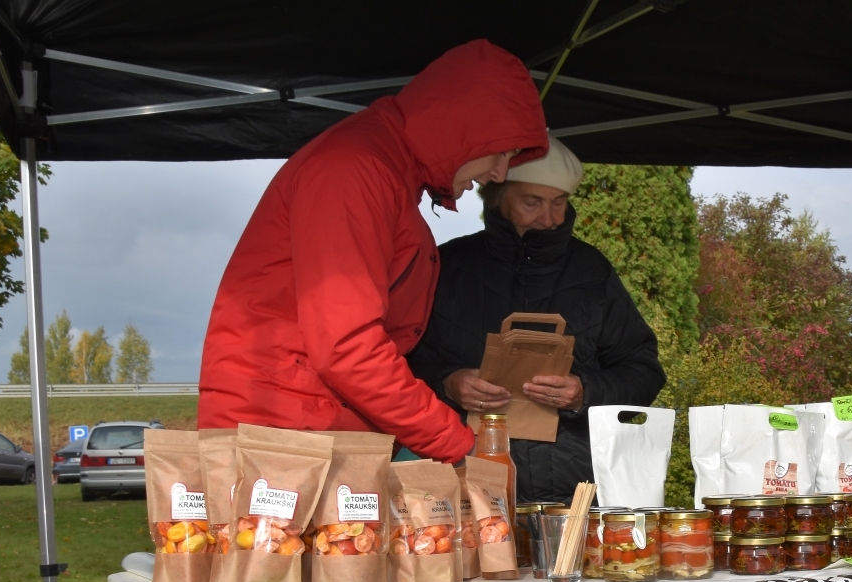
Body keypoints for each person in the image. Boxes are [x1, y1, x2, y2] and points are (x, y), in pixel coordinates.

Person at [196, 40, 548, 464]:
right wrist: (458, 447)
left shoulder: (387, 174)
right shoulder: (355, 169)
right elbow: (348, 348)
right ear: (461, 127)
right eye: (500, 151)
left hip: (312, 428)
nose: (499, 173)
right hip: (284, 435)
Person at [408, 137, 665, 502]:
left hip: (571, 493)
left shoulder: (591, 272)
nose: (549, 218)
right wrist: (448, 382)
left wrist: (584, 392)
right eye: (532, 202)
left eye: (559, 202)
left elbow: (644, 371)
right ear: (496, 196)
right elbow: (396, 363)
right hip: (461, 482)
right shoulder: (448, 266)